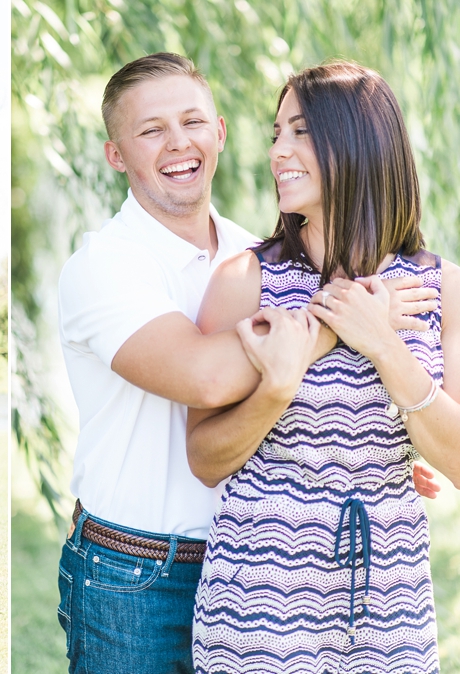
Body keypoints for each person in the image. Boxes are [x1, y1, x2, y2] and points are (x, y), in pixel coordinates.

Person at [55, 53, 438, 674]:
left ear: (221, 132)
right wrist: (354, 319)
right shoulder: (105, 266)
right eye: (150, 130)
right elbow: (207, 376)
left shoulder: (255, 257)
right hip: (135, 574)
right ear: (116, 154)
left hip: (259, 561)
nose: (178, 143)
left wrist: (357, 452)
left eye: (192, 121)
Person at [188, 61, 457, 673]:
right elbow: (205, 459)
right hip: (257, 606)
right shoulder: (243, 282)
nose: (278, 151)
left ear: (359, 140)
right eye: (275, 133)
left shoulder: (442, 288)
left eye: (300, 131)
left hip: (391, 603)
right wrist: (317, 344)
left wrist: (384, 345)